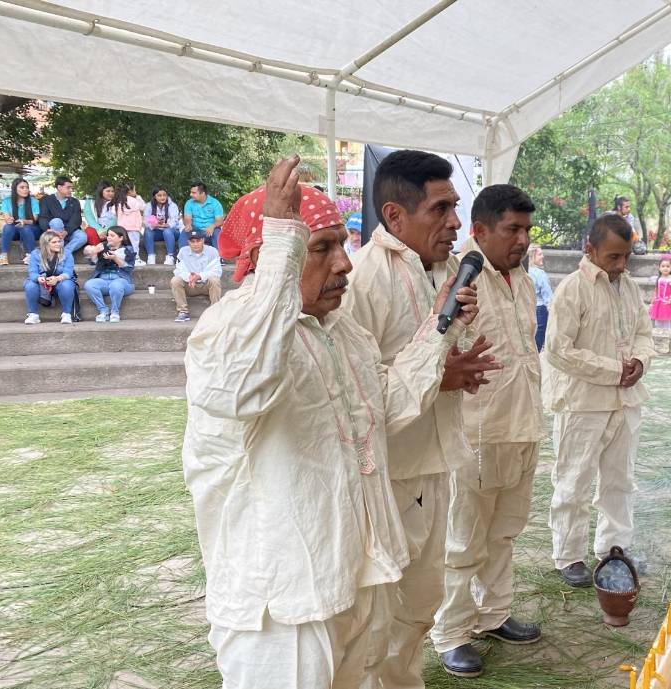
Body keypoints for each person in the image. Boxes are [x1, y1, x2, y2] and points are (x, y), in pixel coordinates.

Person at [185, 156, 480, 689]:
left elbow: (385, 409)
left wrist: (439, 330)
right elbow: (244, 387)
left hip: (355, 577)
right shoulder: (226, 330)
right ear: (270, 256)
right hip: (283, 603)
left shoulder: (342, 333)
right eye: (322, 248)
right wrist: (282, 239)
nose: (344, 264)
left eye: (342, 245)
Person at [341, 149, 500, 689]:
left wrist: (457, 371)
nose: (456, 221)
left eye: (455, 206)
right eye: (442, 208)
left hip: (434, 464)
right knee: (379, 616)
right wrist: (441, 373)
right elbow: (356, 395)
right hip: (386, 476)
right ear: (394, 216)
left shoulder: (449, 272)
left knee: (422, 603)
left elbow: (437, 355)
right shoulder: (362, 278)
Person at [431, 185, 542, 678]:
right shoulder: (462, 278)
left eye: (526, 230)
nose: (521, 240)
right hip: (477, 431)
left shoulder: (523, 278)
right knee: (464, 538)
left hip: (522, 425)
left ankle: (494, 613)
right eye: (511, 229)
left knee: (505, 531)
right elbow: (439, 352)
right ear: (477, 231)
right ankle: (451, 631)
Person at [543, 213, 654, 587]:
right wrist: (613, 370)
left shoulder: (630, 287)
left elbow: (644, 332)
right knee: (574, 480)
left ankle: (613, 547)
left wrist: (640, 360)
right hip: (583, 402)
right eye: (613, 257)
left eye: (626, 257)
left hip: (626, 400)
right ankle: (568, 554)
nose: (621, 265)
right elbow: (558, 350)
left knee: (620, 480)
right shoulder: (572, 289)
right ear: (589, 250)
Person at [82, 227, 136, 322]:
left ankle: (115, 312)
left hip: (122, 281)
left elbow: (129, 268)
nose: (108, 237)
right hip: (103, 280)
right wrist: (94, 252)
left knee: (116, 285)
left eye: (112, 235)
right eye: (108, 235)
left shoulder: (127, 250)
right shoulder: (102, 247)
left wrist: (115, 258)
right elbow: (93, 263)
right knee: (89, 285)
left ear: (121, 238)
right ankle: (103, 311)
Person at [22, 230, 76, 324]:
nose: (58, 244)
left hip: (60, 282)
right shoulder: (36, 254)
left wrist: (57, 279)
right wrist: (38, 278)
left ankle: (66, 314)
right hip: (42, 283)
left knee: (67, 285)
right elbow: (32, 272)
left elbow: (68, 273)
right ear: (46, 244)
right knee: (30, 285)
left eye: (59, 241)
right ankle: (33, 314)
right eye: (54, 242)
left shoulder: (67, 253)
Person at [171, 229, 222, 322]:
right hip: (190, 286)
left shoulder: (213, 251)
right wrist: (189, 277)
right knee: (175, 280)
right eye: (192, 241)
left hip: (206, 285)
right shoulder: (183, 251)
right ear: (188, 242)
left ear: (203, 240)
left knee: (215, 280)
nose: (195, 244)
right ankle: (183, 311)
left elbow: (216, 271)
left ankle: (215, 311)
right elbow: (178, 270)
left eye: (198, 241)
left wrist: (199, 276)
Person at [37, 176, 87, 256]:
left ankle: (63, 254)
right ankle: (58, 250)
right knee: (56, 221)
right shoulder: (46, 200)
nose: (71, 190)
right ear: (59, 187)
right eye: (68, 187)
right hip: (52, 232)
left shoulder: (74, 202)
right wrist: (49, 230)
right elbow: (43, 218)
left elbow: (76, 219)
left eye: (71, 188)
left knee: (82, 236)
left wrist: (66, 231)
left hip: (69, 231)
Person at [0, 177, 40, 265]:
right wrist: (9, 219)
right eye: (22, 187)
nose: (25, 190)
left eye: (27, 187)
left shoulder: (33, 201)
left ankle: (31, 256)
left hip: (31, 230)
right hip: (15, 229)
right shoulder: (7, 201)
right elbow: (6, 217)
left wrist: (24, 221)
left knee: (25, 228)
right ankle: (3, 256)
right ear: (14, 189)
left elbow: (34, 220)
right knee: (7, 227)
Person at [103, 183, 148, 265]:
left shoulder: (118, 202)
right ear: (130, 191)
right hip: (134, 228)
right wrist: (137, 196)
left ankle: (124, 258)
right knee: (134, 244)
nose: (135, 191)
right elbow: (143, 207)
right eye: (134, 190)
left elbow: (113, 212)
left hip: (122, 229)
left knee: (124, 244)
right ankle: (136, 259)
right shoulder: (134, 200)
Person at [145, 186, 183, 265]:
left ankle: (170, 256)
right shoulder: (149, 205)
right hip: (157, 232)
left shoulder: (172, 205)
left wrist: (163, 225)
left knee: (167, 231)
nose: (162, 197)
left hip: (172, 232)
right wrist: (154, 225)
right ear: (154, 197)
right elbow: (146, 221)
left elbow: (174, 221)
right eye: (159, 195)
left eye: (164, 195)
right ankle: (151, 256)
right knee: (147, 231)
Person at [184, 182, 225, 248]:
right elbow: (187, 219)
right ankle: (182, 256)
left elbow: (220, 221)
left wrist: (213, 226)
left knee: (217, 232)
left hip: (210, 231)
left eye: (193, 193)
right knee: (185, 232)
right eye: (191, 192)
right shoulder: (189, 203)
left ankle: (219, 257)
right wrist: (188, 224)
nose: (190, 194)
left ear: (202, 193)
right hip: (195, 230)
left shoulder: (215, 203)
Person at [527, 245, 552, 351]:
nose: (543, 256)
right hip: (540, 311)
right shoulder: (540, 274)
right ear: (532, 256)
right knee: (536, 346)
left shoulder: (523, 272)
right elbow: (549, 298)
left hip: (526, 309)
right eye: (540, 254)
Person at [648, 253, 671, 329]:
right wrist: (652, 302)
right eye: (663, 266)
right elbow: (656, 291)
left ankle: (666, 331)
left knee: (666, 320)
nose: (665, 268)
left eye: (668, 266)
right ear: (659, 268)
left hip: (666, 302)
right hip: (658, 302)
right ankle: (658, 330)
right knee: (657, 319)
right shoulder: (658, 279)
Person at [82, 180, 115, 249]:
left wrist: (106, 231)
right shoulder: (90, 202)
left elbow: (115, 219)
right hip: (96, 230)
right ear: (101, 191)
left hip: (111, 230)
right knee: (90, 232)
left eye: (112, 191)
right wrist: (100, 230)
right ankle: (98, 251)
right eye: (108, 191)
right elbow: (90, 218)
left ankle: (107, 250)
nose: (111, 193)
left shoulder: (116, 203)